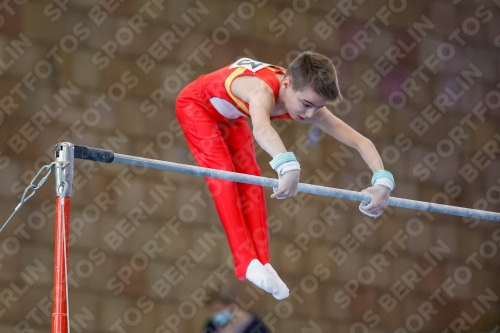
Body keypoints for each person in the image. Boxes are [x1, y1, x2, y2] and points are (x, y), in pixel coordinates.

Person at [175, 52, 394, 300]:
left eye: (318, 107)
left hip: (232, 117)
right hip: (196, 106)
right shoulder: (261, 92)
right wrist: (287, 164)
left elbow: (360, 141)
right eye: (307, 105)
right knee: (224, 173)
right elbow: (262, 128)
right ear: (287, 84)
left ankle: (263, 261)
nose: (311, 115)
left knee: (251, 177)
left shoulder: (305, 100)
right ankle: (244, 262)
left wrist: (382, 181)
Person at [202, 287, 268, 333]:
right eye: (213, 310)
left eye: (219, 309)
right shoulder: (211, 325)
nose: (216, 313)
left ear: (232, 305)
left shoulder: (252, 323)